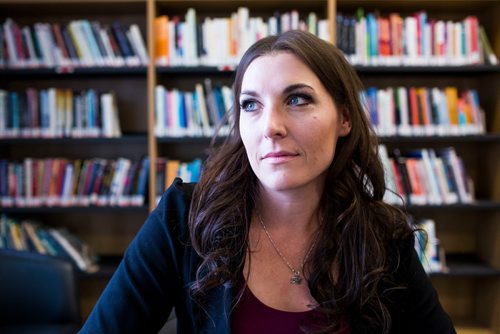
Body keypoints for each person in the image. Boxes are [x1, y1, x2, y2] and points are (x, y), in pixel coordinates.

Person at [79, 30, 456, 334]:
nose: (270, 127)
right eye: (250, 105)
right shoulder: (182, 220)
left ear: (345, 118)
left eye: (297, 100)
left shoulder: (384, 237)